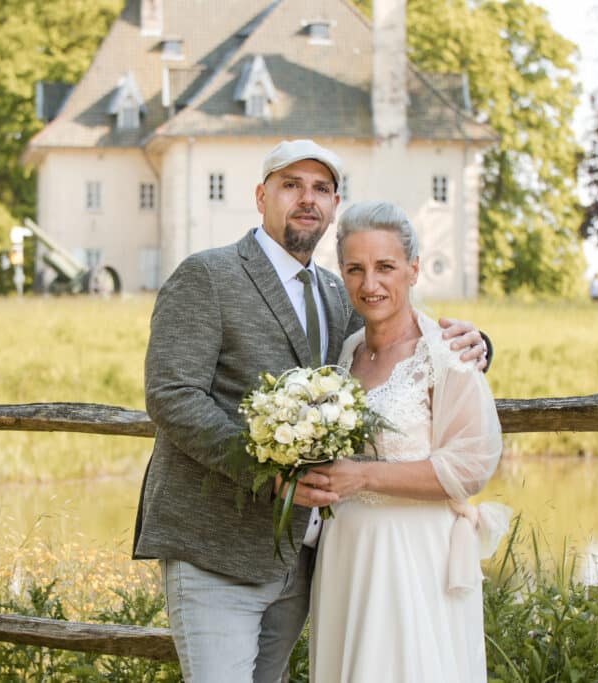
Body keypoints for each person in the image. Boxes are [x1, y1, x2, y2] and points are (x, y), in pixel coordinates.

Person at [132, 140, 490, 682]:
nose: (307, 199)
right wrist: (269, 477)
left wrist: (478, 341)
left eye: (321, 188)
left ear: (334, 203)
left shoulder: (336, 292)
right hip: (214, 546)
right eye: (291, 184)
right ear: (261, 195)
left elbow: (401, 341)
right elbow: (171, 396)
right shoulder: (207, 275)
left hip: (301, 559)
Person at [309, 201, 510, 682]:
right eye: (355, 269)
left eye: (385, 267)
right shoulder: (347, 352)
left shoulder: (449, 353)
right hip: (346, 553)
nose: (369, 284)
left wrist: (361, 476)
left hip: (411, 557)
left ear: (414, 269)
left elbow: (470, 465)